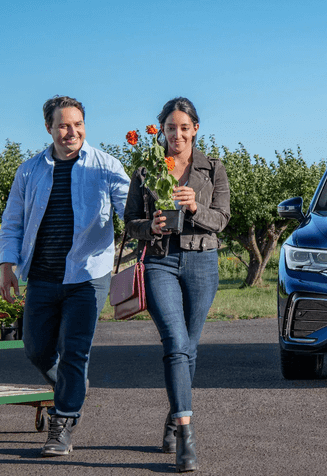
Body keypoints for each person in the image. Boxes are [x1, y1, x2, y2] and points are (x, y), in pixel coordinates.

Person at [0, 96, 130, 456]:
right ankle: (73, 387)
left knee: (75, 350)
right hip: (41, 274)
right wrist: (6, 265)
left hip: (88, 274)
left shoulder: (105, 166)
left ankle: (62, 423)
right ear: (49, 128)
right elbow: (12, 222)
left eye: (78, 124)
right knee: (36, 348)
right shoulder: (29, 170)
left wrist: (152, 216)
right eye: (63, 125)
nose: (71, 132)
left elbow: (130, 210)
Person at [123, 97, 230, 472]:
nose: (177, 134)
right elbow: (130, 222)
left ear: (195, 129)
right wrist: (146, 226)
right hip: (159, 260)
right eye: (171, 127)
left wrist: (196, 207)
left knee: (190, 346)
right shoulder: (146, 169)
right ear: (162, 130)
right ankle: (187, 436)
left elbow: (222, 220)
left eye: (185, 127)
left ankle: (173, 416)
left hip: (202, 261)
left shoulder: (213, 168)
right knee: (174, 342)